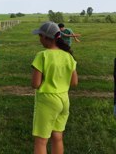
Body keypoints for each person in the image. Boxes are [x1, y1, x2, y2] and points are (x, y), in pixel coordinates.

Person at [31, 21, 78, 154]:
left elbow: (35, 84)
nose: (39, 39)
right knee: (57, 137)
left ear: (46, 37)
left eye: (40, 36)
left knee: (41, 141)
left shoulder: (42, 55)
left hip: (47, 101)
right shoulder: (68, 56)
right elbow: (74, 82)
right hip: (64, 100)